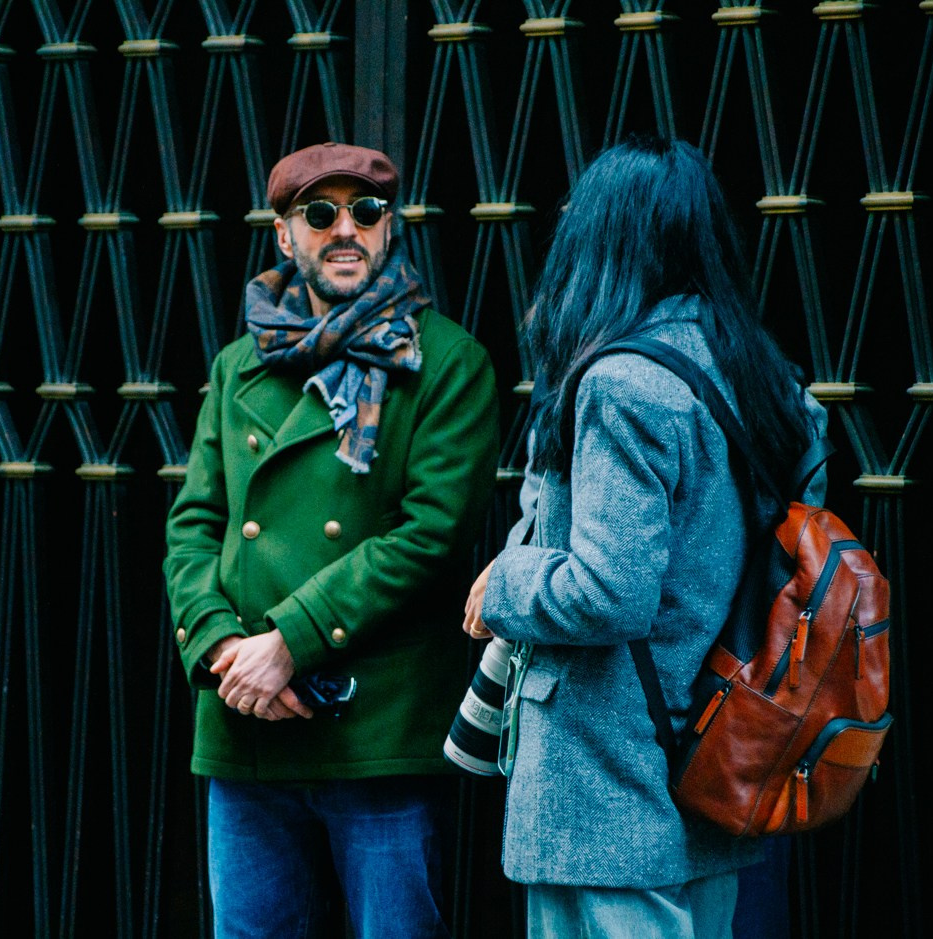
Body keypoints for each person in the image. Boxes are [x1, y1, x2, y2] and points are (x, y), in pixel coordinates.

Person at [462, 136, 825, 938]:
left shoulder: (623, 382)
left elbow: (609, 591)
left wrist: (506, 583)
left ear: (600, 238)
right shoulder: (755, 372)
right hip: (710, 747)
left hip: (608, 783)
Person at [164, 142, 499, 938]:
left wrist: (291, 640)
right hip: (249, 724)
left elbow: (429, 537)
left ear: (389, 226)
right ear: (285, 234)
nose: (346, 228)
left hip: (374, 730)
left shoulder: (448, 363)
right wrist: (223, 650)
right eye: (320, 213)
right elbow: (194, 526)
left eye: (366, 210)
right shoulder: (239, 365)